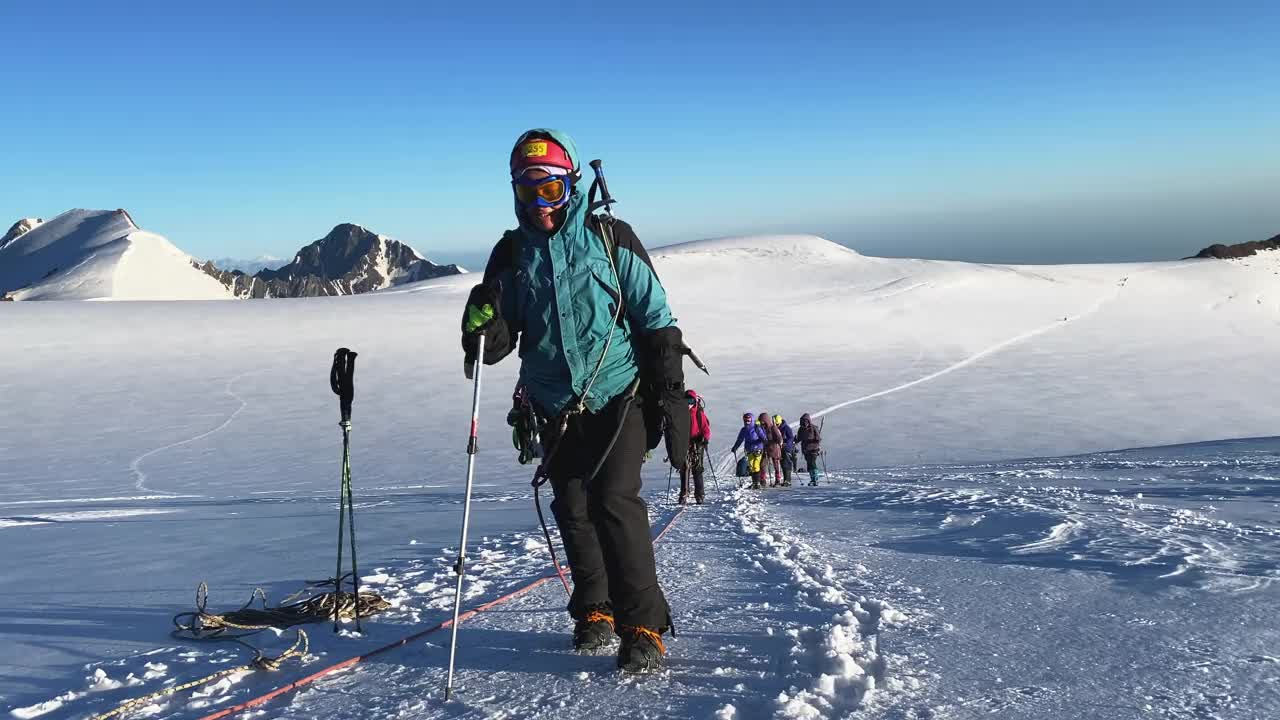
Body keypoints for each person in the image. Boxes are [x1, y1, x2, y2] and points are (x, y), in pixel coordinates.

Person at [461, 129, 690, 673]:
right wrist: (479, 321)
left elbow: (655, 317)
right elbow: (495, 347)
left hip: (619, 391)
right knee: (571, 506)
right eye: (527, 191)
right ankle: (595, 610)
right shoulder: (511, 253)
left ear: (572, 185)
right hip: (553, 404)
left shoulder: (611, 237)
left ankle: (642, 626)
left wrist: (671, 399)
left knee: (613, 497)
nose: (540, 204)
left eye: (552, 190)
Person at [680, 389, 712, 504]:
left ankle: (700, 494)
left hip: (697, 444)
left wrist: (705, 439)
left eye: (691, 401)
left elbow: (706, 429)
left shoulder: (699, 413)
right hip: (684, 443)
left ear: (695, 401)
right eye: (687, 401)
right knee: (684, 468)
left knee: (697, 468)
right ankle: (684, 494)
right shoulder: (680, 414)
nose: (689, 404)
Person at [730, 413, 767, 489]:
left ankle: (757, 483)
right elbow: (740, 439)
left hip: (758, 448)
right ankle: (755, 483)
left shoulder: (757, 428)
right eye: (745, 420)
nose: (747, 421)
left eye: (748, 419)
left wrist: (764, 441)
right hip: (749, 449)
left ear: (752, 419)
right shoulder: (743, 430)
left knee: (756, 465)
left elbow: (763, 437)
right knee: (751, 466)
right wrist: (735, 447)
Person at [758, 412, 784, 487]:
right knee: (763, 464)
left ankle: (778, 480)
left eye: (763, 421)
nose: (762, 423)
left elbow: (779, 438)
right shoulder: (762, 429)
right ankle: (763, 480)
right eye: (761, 421)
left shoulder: (773, 428)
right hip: (766, 449)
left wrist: (778, 442)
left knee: (776, 465)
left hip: (774, 449)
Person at [797, 414, 822, 485]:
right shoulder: (801, 429)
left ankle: (815, 479)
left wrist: (815, 441)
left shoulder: (814, 428)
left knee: (812, 463)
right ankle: (812, 479)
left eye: (805, 422)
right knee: (809, 464)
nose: (804, 424)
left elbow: (818, 438)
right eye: (803, 422)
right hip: (805, 449)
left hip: (814, 448)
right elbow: (799, 438)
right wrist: (795, 441)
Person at [776, 415, 796, 487]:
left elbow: (791, 438)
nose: (776, 426)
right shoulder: (776, 429)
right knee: (782, 464)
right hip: (779, 449)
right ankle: (785, 480)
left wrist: (786, 444)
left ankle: (788, 480)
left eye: (777, 424)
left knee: (787, 463)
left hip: (787, 448)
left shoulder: (786, 428)